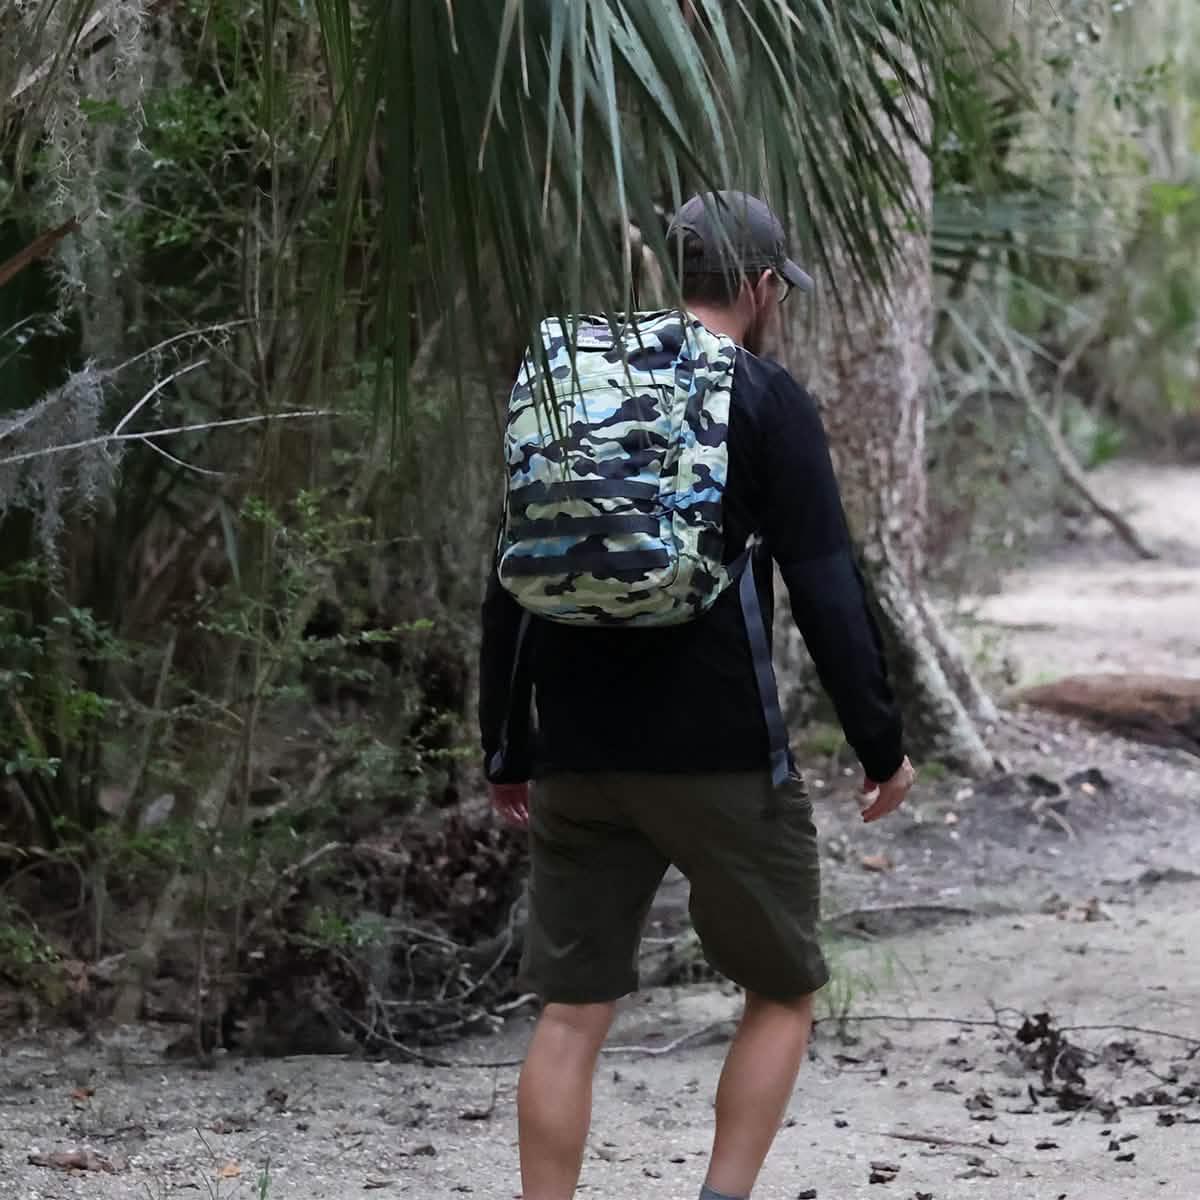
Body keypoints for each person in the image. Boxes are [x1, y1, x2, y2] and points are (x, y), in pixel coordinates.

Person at [478, 191, 916, 1200]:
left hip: (576, 749)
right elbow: (826, 585)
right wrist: (879, 745)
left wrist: (507, 747)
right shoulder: (764, 395)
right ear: (760, 286)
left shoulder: (573, 386)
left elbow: (509, 577)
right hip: (722, 752)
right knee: (783, 990)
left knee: (571, 1012)